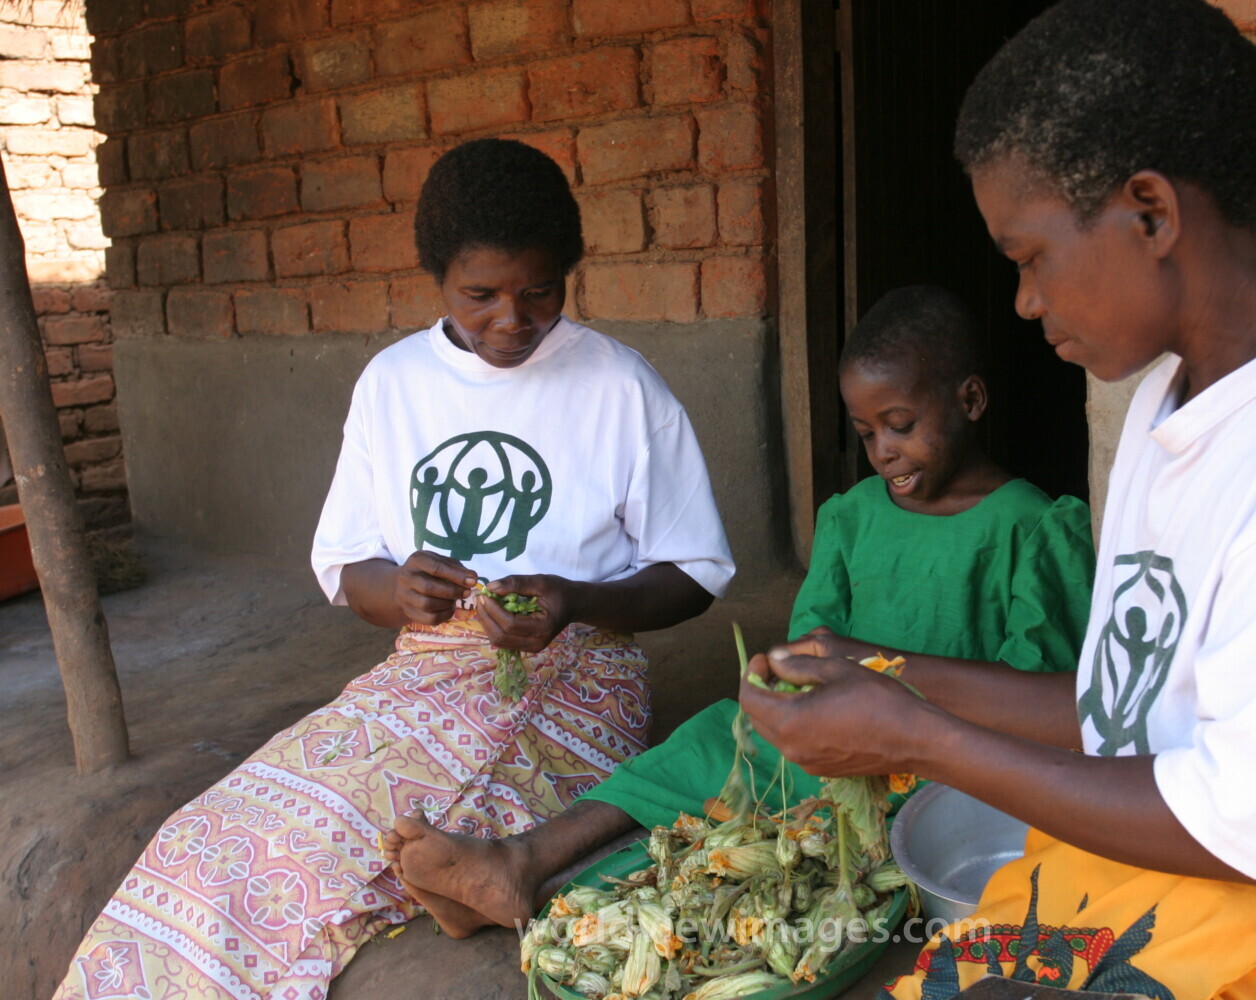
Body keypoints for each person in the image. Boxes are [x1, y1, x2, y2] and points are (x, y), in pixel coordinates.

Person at [741, 2, 1256, 999]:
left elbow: (1243, 820)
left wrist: (917, 736)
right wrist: (885, 668)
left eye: (1028, 257)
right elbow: (1117, 709)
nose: (1025, 302)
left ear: (1151, 212)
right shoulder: (1171, 402)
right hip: (1150, 882)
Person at [52, 139, 734, 1000]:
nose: (511, 320)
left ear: (570, 271)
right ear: (435, 278)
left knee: (367, 843)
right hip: (420, 677)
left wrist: (577, 602)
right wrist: (399, 593)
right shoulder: (394, 384)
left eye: (539, 291)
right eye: (479, 295)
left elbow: (696, 572)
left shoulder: (622, 387)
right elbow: (346, 565)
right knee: (212, 834)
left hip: (581, 681)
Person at [379, 283, 1097, 937]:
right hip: (836, 740)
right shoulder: (851, 517)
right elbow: (811, 641)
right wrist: (782, 687)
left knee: (787, 842)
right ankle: (519, 860)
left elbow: (1039, 694)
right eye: (867, 431)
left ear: (970, 401)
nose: (883, 451)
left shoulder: (1033, 528)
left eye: (901, 425)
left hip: (948, 760)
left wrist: (903, 716)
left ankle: (543, 886)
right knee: (709, 744)